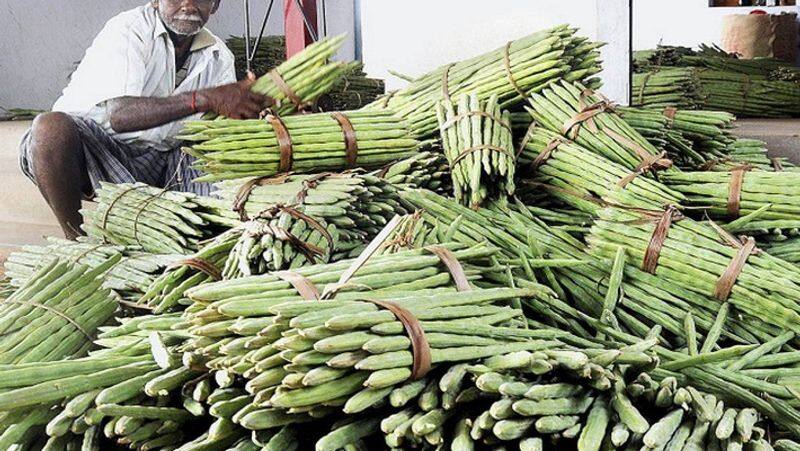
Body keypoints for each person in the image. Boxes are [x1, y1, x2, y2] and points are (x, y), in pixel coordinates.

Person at [19, 0, 273, 239]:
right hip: (99, 149)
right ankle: (75, 238)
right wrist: (204, 98)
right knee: (49, 128)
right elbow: (119, 116)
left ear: (215, 5)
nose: (188, 4)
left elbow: (217, 125)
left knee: (204, 197)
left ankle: (192, 237)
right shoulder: (129, 29)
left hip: (164, 159)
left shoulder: (219, 56)